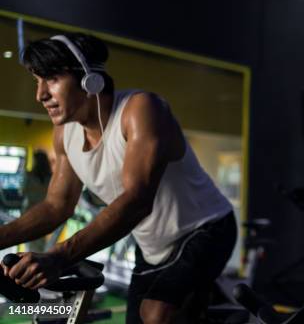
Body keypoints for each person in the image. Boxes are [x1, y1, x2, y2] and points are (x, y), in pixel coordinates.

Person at [0, 33, 237, 323]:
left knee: (155, 313)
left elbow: (136, 201)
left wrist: (59, 257)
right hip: (151, 246)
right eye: (38, 81)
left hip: (207, 228)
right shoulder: (65, 134)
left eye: (51, 79)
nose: (40, 94)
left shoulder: (141, 110)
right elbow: (56, 206)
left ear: (89, 79)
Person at [22, 149, 53, 252]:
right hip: (44, 211)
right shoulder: (51, 177)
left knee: (29, 240)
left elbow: (22, 191)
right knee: (40, 240)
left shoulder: (29, 175)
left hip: (29, 210)